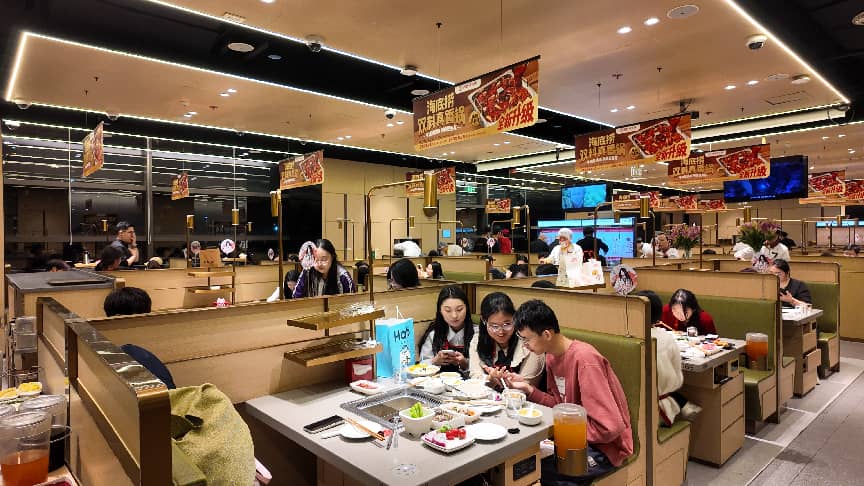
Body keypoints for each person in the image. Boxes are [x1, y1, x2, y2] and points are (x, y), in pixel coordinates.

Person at [504, 300, 633, 483]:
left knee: (531, 468)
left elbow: (610, 427)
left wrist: (562, 429)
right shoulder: (551, 357)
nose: (524, 345)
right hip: (573, 439)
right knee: (520, 462)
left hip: (604, 449)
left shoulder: (585, 360)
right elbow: (560, 406)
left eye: (527, 339)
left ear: (546, 334)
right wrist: (528, 388)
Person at [469, 292, 544, 389]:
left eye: (507, 324)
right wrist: (490, 379)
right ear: (484, 321)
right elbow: (475, 376)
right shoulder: (478, 340)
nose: (501, 332)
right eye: (494, 326)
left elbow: (528, 385)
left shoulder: (529, 343)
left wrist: (509, 385)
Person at [636, 291, 685, 426]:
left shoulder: (624, 337)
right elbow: (678, 379)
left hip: (629, 410)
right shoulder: (666, 339)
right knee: (687, 402)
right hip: (658, 413)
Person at [418, 286, 477, 374]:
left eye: (459, 309)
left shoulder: (477, 333)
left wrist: (465, 363)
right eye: (448, 310)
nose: (454, 315)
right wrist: (434, 361)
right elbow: (421, 365)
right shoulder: (434, 334)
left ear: (467, 308)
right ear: (440, 311)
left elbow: (484, 367)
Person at [292, 239, 356, 298]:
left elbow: (351, 301)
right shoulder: (307, 271)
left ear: (332, 257)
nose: (319, 264)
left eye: (324, 259)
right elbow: (296, 296)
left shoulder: (343, 276)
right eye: (316, 259)